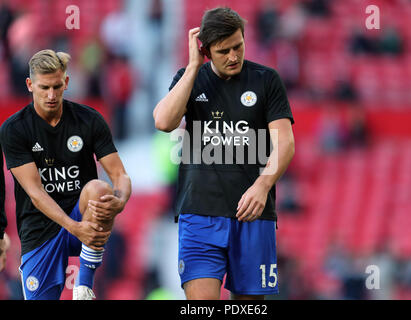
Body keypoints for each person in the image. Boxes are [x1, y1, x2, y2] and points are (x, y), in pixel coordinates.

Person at [153, 7, 295, 300]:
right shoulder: (189, 79)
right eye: (223, 51)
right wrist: (193, 68)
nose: (233, 56)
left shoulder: (266, 80)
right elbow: (163, 121)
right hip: (200, 213)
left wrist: (262, 185)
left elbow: (285, 143)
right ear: (205, 50)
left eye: (238, 46)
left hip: (252, 214)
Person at [0, 49, 132, 300]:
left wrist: (121, 200)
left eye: (57, 87)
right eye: (44, 88)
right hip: (40, 229)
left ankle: (84, 285)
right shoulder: (14, 129)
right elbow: (36, 194)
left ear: (66, 82)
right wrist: (75, 227)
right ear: (29, 85)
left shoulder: (89, 120)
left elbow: (120, 175)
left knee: (101, 190)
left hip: (82, 217)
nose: (51, 95)